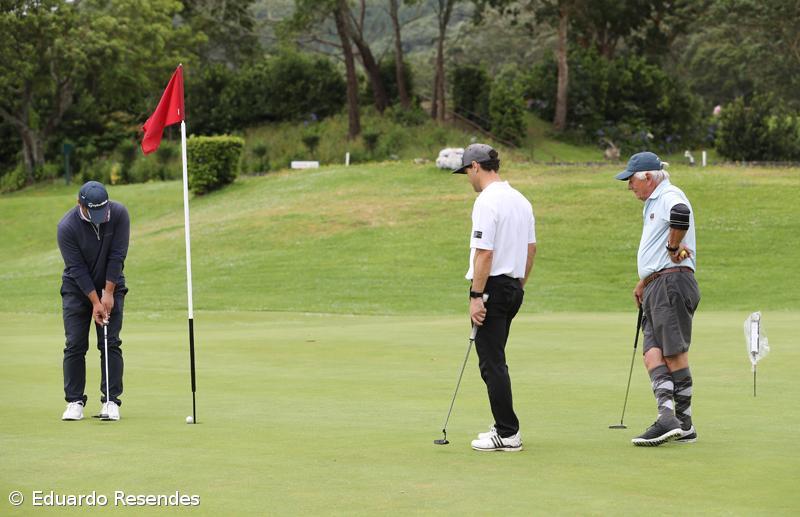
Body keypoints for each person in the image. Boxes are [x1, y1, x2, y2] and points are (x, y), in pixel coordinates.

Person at [452, 144, 536, 452]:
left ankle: (507, 431)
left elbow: (485, 253)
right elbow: (531, 250)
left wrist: (477, 295)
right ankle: (504, 426)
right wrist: (519, 285)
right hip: (513, 285)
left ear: (475, 166)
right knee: (495, 357)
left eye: (466, 172)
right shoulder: (520, 199)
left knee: (491, 362)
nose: (467, 179)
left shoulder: (487, 201)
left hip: (492, 287)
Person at [615, 151, 700, 446]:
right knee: (652, 353)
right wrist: (644, 280)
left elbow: (680, 215)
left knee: (673, 352)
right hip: (656, 285)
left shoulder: (669, 194)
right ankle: (668, 417)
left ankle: (684, 423)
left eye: (631, 181)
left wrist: (673, 246)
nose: (629, 187)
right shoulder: (654, 201)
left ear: (648, 177)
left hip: (671, 282)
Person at [57, 181, 130, 421]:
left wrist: (108, 293)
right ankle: (74, 401)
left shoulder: (118, 214)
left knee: (110, 342)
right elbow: (76, 268)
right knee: (75, 344)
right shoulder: (67, 227)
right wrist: (94, 301)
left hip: (111, 284)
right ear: (81, 205)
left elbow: (117, 255)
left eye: (103, 211)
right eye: (94, 212)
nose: (101, 217)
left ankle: (110, 401)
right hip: (77, 290)